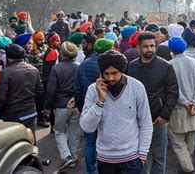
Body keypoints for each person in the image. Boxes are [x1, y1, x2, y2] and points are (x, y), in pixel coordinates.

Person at [80, 50, 153, 174]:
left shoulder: (136, 87)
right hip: (105, 158)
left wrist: (142, 154)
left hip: (132, 158)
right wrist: (99, 101)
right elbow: (87, 127)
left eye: (115, 73)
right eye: (106, 74)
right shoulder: (93, 90)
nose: (110, 78)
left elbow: (145, 123)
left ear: (122, 71)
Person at [127, 32, 179, 174]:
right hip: (136, 121)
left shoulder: (165, 66)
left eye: (152, 46)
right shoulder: (131, 67)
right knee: (139, 157)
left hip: (158, 120)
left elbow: (173, 92)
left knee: (159, 157)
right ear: (138, 48)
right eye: (145, 46)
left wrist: (165, 115)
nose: (149, 49)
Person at [76, 38, 114, 174]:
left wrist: (82, 110)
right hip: (107, 108)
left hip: (90, 107)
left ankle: (91, 170)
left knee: (90, 142)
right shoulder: (113, 67)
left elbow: (78, 89)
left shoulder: (84, 65)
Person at [168, 37, 195, 173]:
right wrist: (194, 101)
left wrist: (185, 102)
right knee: (190, 139)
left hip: (178, 109)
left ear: (171, 49)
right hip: (194, 107)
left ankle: (188, 168)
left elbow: (173, 89)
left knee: (177, 141)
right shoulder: (194, 63)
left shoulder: (169, 64)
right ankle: (187, 165)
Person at [0, 44, 43, 137]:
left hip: (13, 116)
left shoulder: (5, 73)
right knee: (30, 141)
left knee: (14, 144)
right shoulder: (34, 70)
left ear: (8, 57)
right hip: (31, 112)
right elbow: (39, 93)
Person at [45, 41, 81, 170]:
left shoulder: (56, 68)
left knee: (59, 131)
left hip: (60, 106)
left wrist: (47, 107)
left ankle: (66, 157)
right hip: (76, 105)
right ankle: (74, 157)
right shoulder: (79, 66)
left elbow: (51, 90)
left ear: (62, 54)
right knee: (74, 132)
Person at [38, 32, 61, 128]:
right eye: (57, 40)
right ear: (52, 42)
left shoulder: (52, 51)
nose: (59, 42)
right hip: (49, 81)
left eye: (59, 40)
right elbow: (53, 70)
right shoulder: (52, 52)